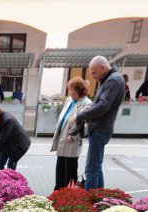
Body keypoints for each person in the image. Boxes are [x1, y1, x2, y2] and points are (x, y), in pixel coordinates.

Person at [74, 56, 125, 190]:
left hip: (100, 129)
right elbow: (100, 103)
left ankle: (90, 199)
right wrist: (90, 107)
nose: (93, 76)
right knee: (96, 166)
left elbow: (103, 106)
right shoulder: (108, 79)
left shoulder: (113, 80)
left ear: (102, 68)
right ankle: (100, 196)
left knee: (91, 168)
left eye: (94, 73)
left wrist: (81, 115)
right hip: (100, 128)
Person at [51, 77, 93, 190]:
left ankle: (69, 194)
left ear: (78, 90)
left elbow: (86, 125)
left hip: (72, 142)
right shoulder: (70, 100)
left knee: (69, 172)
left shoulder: (87, 103)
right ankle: (58, 192)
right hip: (62, 139)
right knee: (60, 170)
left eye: (71, 90)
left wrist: (74, 136)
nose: (69, 92)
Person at [0, 105, 30, 172]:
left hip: (18, 145)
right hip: (7, 144)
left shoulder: (8, 120)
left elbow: (2, 138)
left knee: (10, 166)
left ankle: (10, 178)